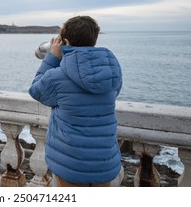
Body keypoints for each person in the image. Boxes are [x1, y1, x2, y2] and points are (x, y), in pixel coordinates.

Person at [29, 15, 123, 187]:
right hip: (104, 161)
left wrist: (53, 58)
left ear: (65, 41)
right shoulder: (111, 71)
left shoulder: (56, 76)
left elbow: (36, 90)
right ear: (93, 39)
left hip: (71, 162)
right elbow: (113, 93)